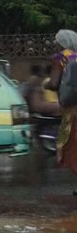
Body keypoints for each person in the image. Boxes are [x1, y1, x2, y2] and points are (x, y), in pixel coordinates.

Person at [44, 29, 77, 192]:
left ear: (62, 43)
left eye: (56, 41)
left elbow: (54, 83)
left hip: (71, 109)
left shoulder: (60, 57)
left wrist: (46, 85)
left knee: (68, 145)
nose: (54, 44)